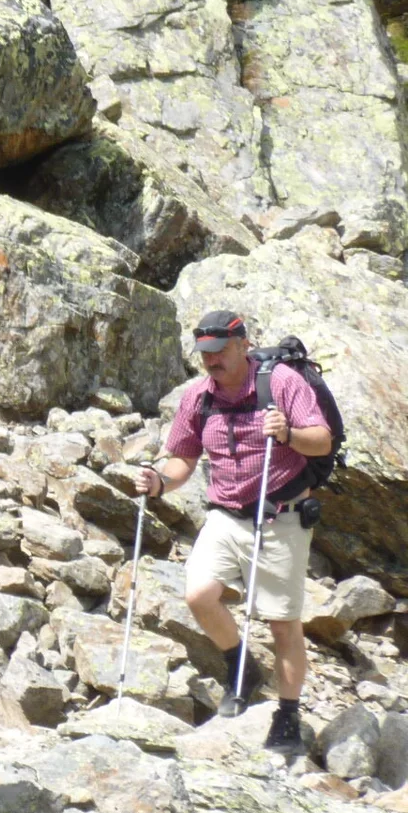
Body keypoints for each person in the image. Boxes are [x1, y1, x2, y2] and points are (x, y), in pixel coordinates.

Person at [137, 311, 334, 753]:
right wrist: (160, 482)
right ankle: (240, 664)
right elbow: (183, 460)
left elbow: (322, 441)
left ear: (243, 345)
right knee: (198, 595)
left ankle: (287, 713)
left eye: (219, 352)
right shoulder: (198, 397)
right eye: (204, 354)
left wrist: (286, 434)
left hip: (279, 516)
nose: (211, 362)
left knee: (283, 624)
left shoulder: (281, 383)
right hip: (225, 515)